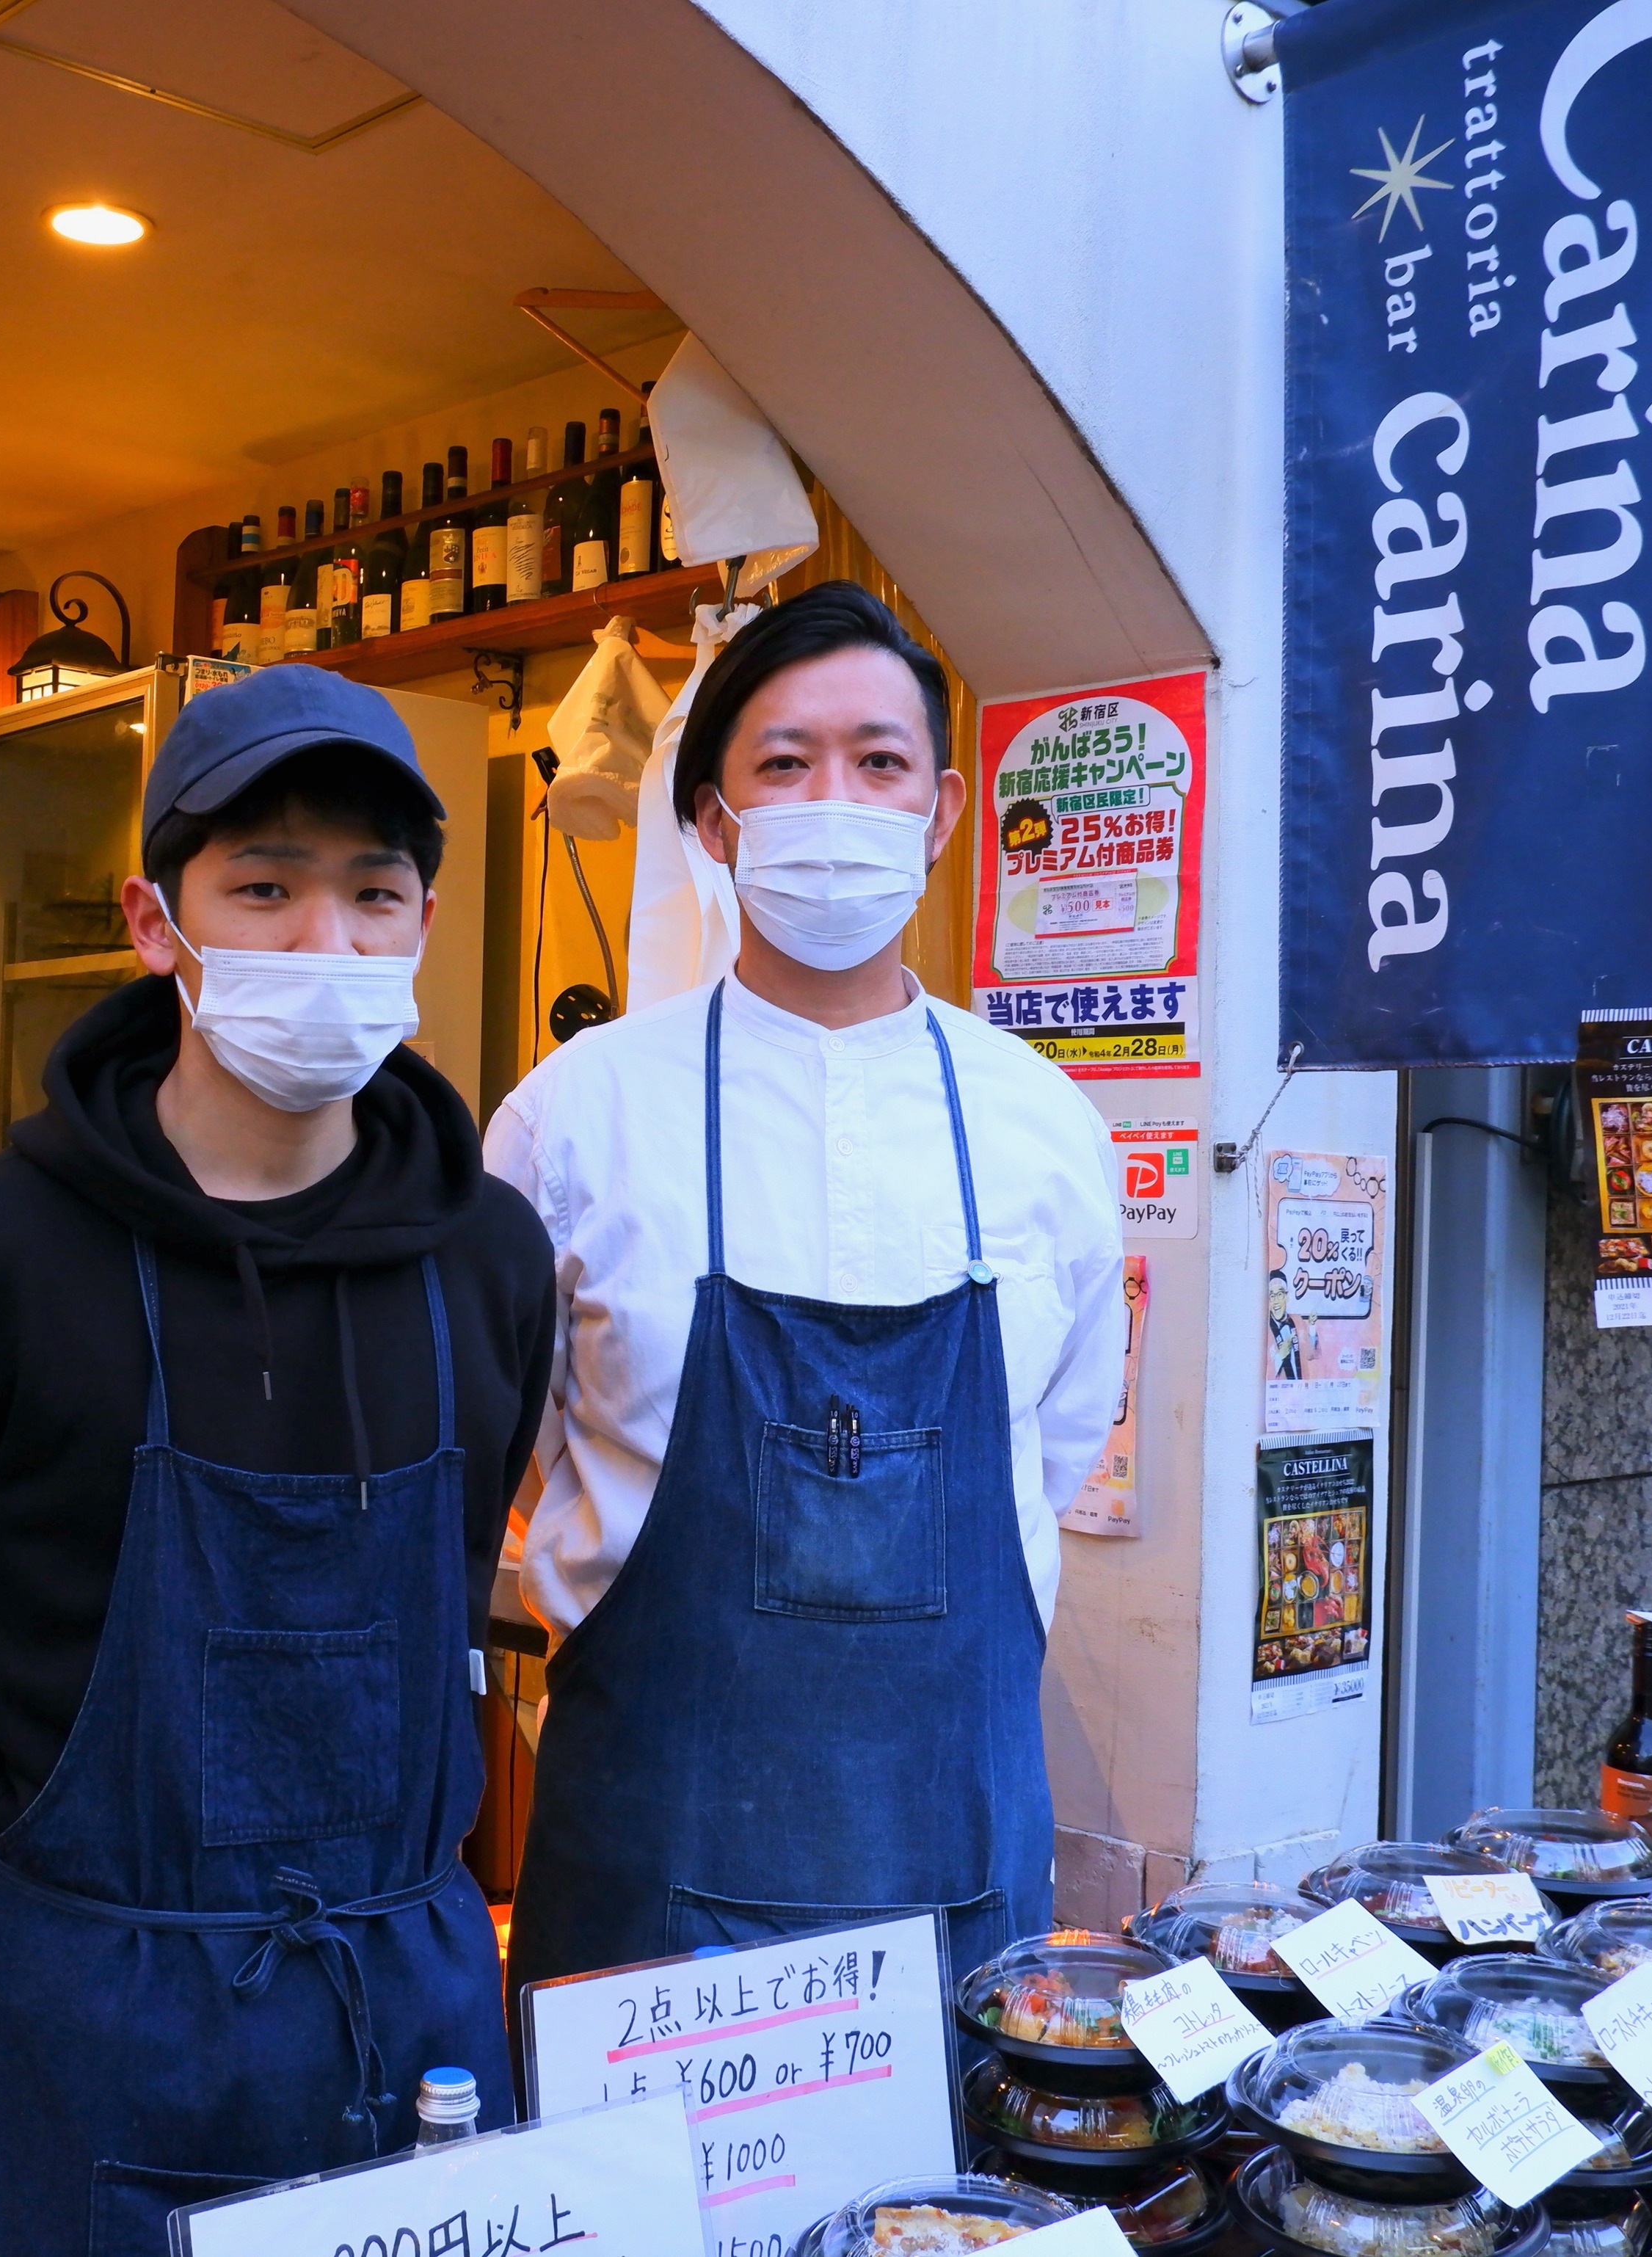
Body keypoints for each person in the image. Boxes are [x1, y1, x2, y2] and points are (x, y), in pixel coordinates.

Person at [0, 666, 555, 2257]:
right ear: (158, 921)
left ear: (422, 923)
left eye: (371, 895)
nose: (324, 945)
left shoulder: (491, 1257)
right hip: (82, 1999)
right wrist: (57, 1925)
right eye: (264, 888)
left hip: (405, 2007)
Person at [490, 581, 1127, 2000]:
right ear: (715, 825)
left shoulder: (1041, 1124)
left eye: (879, 762)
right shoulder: (572, 1119)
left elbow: (1060, 1435)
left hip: (954, 1861)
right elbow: (520, 1444)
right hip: (649, 1855)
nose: (834, 801)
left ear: (944, 811)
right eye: (784, 764)